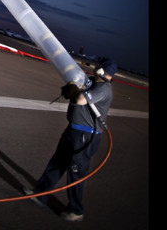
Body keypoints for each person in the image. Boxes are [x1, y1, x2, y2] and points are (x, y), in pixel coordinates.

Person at [25, 57, 117, 222]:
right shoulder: (92, 83)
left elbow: (81, 99)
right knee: (57, 163)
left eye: (98, 66)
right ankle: (40, 193)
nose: (95, 67)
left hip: (85, 136)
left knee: (75, 173)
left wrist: (75, 92)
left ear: (102, 71)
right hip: (73, 131)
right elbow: (78, 86)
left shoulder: (103, 89)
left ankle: (76, 210)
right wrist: (71, 87)